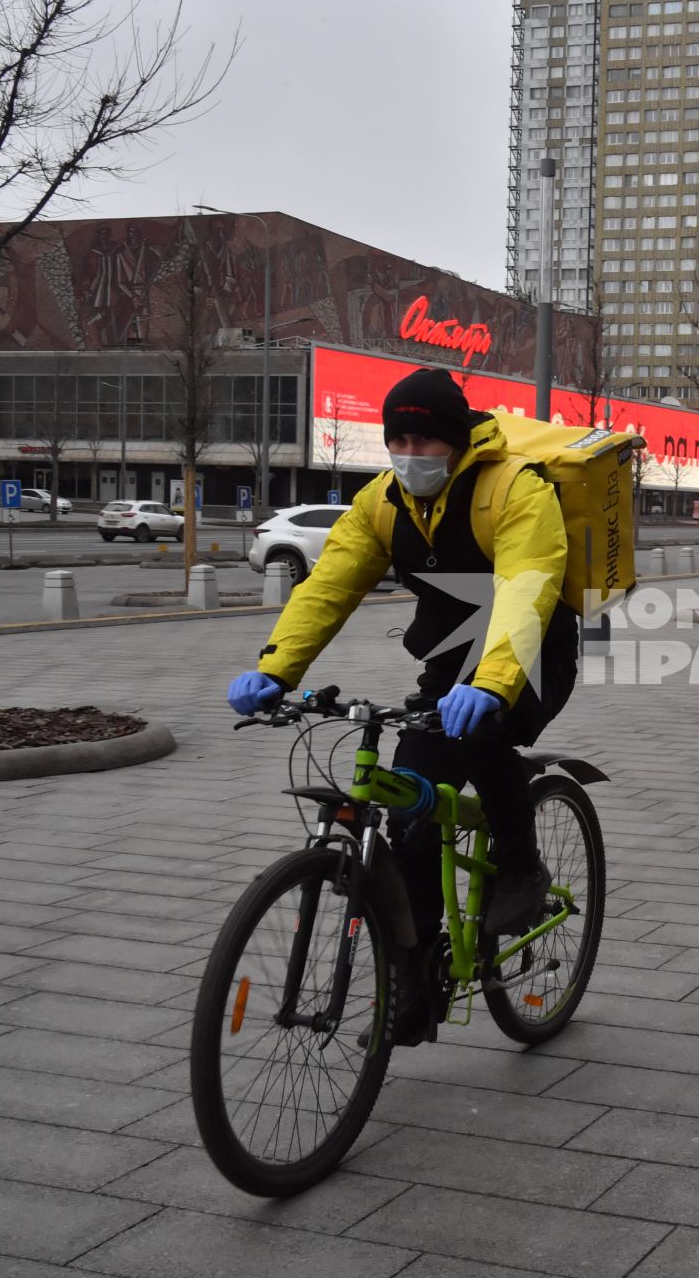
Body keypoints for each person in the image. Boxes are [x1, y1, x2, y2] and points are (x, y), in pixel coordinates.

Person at [224, 368, 577, 1043]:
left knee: (480, 734)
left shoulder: (515, 488)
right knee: (411, 809)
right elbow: (329, 586)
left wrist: (493, 682)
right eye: (400, 439)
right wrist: (276, 669)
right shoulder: (382, 503)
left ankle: (522, 862)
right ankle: (412, 986)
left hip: (531, 657)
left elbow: (531, 584)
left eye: (425, 439)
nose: (411, 453)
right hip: (450, 664)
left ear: (456, 440)